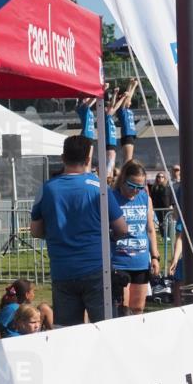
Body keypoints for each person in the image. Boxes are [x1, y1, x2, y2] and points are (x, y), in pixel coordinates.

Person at [31, 136, 127, 325]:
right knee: (107, 329)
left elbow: (35, 231)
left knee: (67, 334)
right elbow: (122, 228)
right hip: (97, 268)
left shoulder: (47, 189)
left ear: (62, 157)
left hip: (62, 270)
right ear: (88, 159)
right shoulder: (99, 187)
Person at [111, 160, 159, 316]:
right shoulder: (111, 197)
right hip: (119, 261)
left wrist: (155, 257)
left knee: (138, 309)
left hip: (140, 262)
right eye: (132, 186)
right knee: (122, 310)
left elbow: (150, 229)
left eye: (140, 187)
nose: (136, 191)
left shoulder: (145, 198)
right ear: (123, 180)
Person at [115, 78, 140, 163]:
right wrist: (131, 85)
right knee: (128, 160)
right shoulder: (122, 110)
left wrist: (134, 85)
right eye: (128, 101)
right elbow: (127, 98)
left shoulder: (127, 110)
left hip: (130, 135)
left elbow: (129, 97)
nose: (130, 102)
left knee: (129, 159)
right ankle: (125, 174)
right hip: (127, 135)